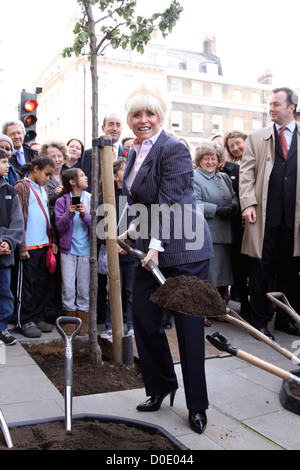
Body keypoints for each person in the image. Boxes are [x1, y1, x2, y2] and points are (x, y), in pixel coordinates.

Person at [121, 84, 214, 434]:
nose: (143, 120)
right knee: (144, 320)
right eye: (136, 114)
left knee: (189, 330)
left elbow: (170, 202)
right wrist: (129, 232)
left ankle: (197, 406)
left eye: (150, 113)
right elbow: (139, 203)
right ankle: (161, 386)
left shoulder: (172, 148)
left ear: (161, 115)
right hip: (151, 249)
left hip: (184, 253)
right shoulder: (135, 151)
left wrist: (155, 247)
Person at [240, 87, 300, 340]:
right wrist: (248, 203)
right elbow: (246, 173)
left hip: (294, 220)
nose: (271, 108)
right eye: (270, 104)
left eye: (276, 104)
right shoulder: (257, 137)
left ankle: (286, 320)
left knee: (291, 271)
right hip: (264, 215)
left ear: (291, 108)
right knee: (261, 270)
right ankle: (259, 322)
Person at [14, 156, 57, 338]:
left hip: (43, 243)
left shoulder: (43, 188)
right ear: (36, 169)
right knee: (27, 285)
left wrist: (52, 239)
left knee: (40, 283)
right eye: (46, 174)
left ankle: (38, 316)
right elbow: (17, 217)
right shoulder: (22, 187)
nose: (48, 179)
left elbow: (46, 215)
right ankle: (24, 319)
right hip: (28, 245)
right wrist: (22, 246)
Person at [193, 141, 238, 305]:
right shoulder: (195, 177)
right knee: (208, 275)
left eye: (213, 158)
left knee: (221, 275)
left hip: (225, 233)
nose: (210, 162)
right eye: (206, 158)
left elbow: (234, 195)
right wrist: (217, 209)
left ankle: (216, 308)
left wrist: (234, 205)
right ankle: (202, 310)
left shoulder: (223, 177)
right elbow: (193, 204)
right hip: (207, 234)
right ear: (199, 160)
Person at [99, 157, 135, 339]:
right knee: (112, 291)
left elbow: (142, 222)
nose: (128, 171)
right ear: (114, 176)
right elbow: (100, 225)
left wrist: (129, 243)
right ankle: (110, 325)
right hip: (113, 251)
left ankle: (131, 326)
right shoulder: (106, 197)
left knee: (131, 292)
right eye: (123, 169)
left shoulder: (136, 195)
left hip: (132, 252)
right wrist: (113, 244)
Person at [55, 168, 91, 335]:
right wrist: (69, 214)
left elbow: (96, 225)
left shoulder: (90, 199)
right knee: (68, 286)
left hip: (86, 250)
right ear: (72, 181)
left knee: (84, 286)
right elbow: (59, 226)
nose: (86, 177)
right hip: (67, 250)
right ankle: (69, 318)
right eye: (82, 175)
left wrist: (84, 214)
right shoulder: (61, 201)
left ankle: (83, 320)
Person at [221, 130, 250, 318]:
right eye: (231, 145)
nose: (235, 147)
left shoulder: (255, 163)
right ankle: (244, 307)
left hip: (253, 221)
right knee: (238, 265)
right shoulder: (228, 168)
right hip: (235, 223)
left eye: (238, 143)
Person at [0, 149, 24, 345]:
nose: (8, 165)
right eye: (3, 161)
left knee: (5, 291)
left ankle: (2, 328)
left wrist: (7, 242)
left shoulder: (9, 190)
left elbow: (17, 222)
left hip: (4, 253)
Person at [81, 114, 129, 193]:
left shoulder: (130, 153)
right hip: (99, 199)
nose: (114, 129)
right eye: (111, 124)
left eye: (118, 125)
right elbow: (86, 183)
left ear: (121, 129)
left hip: (123, 199)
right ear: (103, 128)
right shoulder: (90, 154)